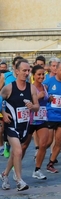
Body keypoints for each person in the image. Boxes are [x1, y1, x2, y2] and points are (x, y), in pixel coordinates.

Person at [1, 59, 39, 191]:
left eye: (28, 70)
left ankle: (4, 174)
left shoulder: (31, 87)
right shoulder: (9, 88)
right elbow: (0, 102)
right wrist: (4, 114)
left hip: (24, 126)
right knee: (17, 151)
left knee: (16, 153)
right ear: (16, 72)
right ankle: (19, 180)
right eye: (24, 70)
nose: (27, 73)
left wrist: (32, 106)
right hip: (11, 125)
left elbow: (37, 107)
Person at [20, 65, 49, 180]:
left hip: (42, 119)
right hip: (30, 120)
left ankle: (37, 169)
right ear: (34, 76)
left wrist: (48, 98)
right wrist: (38, 97)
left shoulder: (45, 87)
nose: (41, 76)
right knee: (24, 146)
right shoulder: (30, 88)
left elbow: (45, 100)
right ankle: (15, 165)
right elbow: (26, 103)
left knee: (43, 144)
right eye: (39, 74)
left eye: (43, 74)